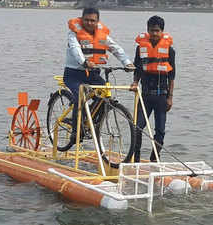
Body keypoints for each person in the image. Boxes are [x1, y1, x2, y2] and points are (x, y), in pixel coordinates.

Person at [63, 7, 134, 141]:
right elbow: (75, 48)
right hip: (73, 74)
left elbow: (115, 48)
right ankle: (75, 130)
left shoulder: (102, 35)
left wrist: (127, 63)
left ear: (97, 21)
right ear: (82, 19)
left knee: (105, 96)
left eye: (93, 20)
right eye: (87, 20)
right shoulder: (73, 34)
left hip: (93, 74)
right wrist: (84, 61)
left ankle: (91, 120)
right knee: (80, 95)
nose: (89, 23)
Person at [130, 15, 176, 162]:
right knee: (138, 127)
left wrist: (170, 97)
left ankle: (154, 158)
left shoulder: (170, 50)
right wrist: (135, 83)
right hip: (145, 96)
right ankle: (135, 158)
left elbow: (172, 75)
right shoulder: (140, 48)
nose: (154, 34)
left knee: (160, 130)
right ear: (147, 30)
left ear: (162, 31)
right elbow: (137, 68)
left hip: (162, 96)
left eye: (157, 31)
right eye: (152, 31)